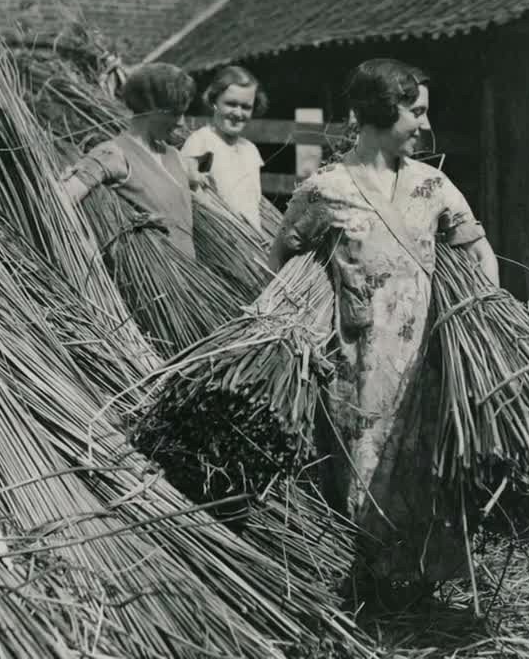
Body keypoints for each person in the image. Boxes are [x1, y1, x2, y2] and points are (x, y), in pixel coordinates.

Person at [268, 59, 499, 602]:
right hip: (354, 358)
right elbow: (279, 256)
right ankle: (364, 581)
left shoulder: (432, 185)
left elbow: (481, 254)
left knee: (418, 460)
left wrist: (480, 315)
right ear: (379, 111)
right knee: (356, 464)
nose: (423, 124)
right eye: (414, 111)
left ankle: (416, 581)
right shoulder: (326, 189)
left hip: (424, 352)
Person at [58, 62, 208, 259]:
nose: (181, 122)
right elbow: (59, 199)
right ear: (151, 108)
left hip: (191, 277)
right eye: (175, 113)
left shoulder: (174, 156)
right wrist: (87, 249)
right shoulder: (113, 154)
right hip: (152, 280)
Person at [181, 65, 268, 231]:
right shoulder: (201, 141)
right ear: (214, 102)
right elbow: (187, 187)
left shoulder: (250, 150)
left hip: (251, 238)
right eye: (231, 104)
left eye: (246, 107)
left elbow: (253, 203)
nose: (237, 113)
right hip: (218, 236)